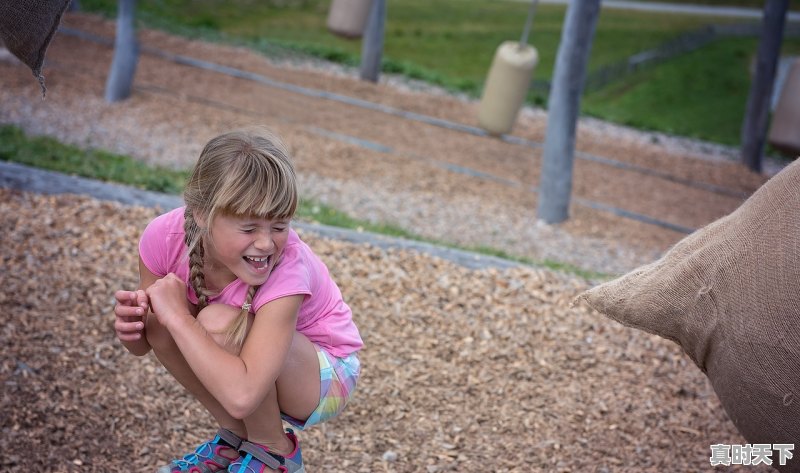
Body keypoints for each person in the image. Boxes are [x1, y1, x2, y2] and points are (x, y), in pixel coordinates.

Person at [113, 128, 363, 473]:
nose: (265, 244)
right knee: (160, 318)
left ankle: (275, 452)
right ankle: (234, 439)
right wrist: (132, 329)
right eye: (249, 229)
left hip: (323, 376)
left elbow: (242, 396)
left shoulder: (288, 267)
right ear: (202, 214)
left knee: (215, 323)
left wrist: (180, 318)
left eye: (279, 226)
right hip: (253, 374)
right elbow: (147, 344)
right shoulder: (162, 238)